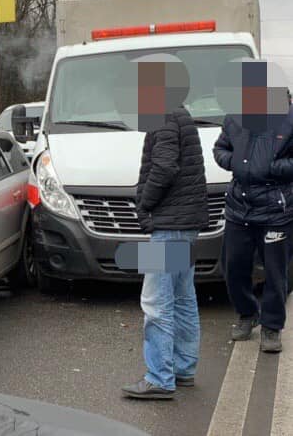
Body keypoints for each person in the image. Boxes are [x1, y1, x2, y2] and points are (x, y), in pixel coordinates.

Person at [122, 61, 209, 400]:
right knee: (184, 298)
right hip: (185, 225)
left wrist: (143, 203)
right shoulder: (178, 113)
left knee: (156, 302)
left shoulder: (164, 116)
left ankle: (159, 378)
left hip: (169, 226)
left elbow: (164, 167)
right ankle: (184, 369)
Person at [213, 82, 293, 353]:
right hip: (239, 208)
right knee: (233, 267)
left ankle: (272, 327)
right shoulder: (235, 118)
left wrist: (273, 168)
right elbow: (220, 150)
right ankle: (247, 314)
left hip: (275, 211)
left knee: (275, 273)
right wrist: (232, 162)